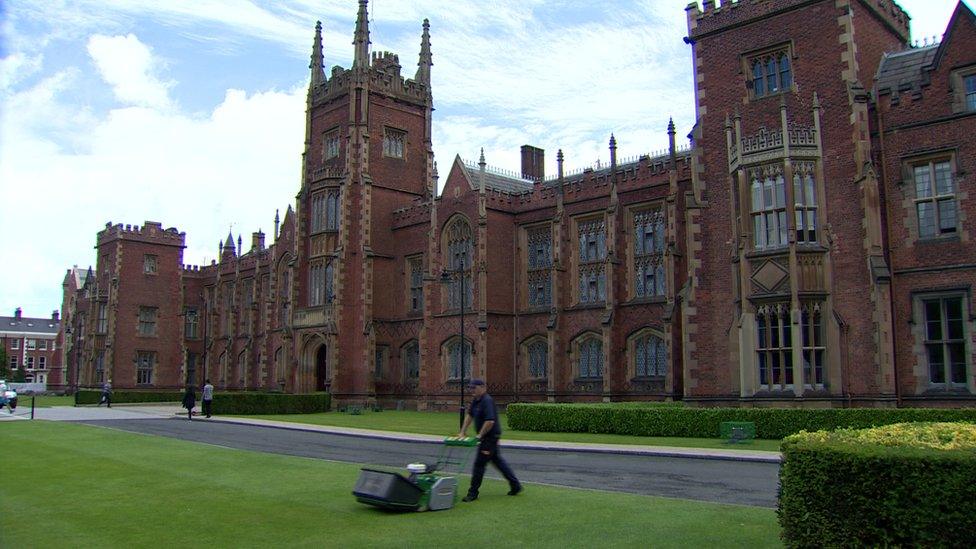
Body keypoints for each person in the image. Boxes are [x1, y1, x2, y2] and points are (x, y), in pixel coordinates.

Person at [457, 379, 522, 502]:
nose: (472, 391)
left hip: (490, 437)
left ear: (482, 387)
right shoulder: (476, 401)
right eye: (470, 388)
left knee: (479, 464)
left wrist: (479, 435)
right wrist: (462, 431)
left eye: (474, 388)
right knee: (498, 461)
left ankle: (472, 493)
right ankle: (515, 485)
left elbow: (490, 421)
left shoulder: (487, 401)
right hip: (486, 438)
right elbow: (470, 415)